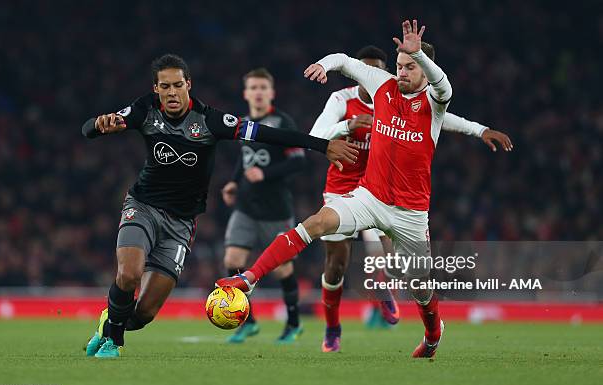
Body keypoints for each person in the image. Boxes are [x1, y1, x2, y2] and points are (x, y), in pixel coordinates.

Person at [216, 20, 512, 358]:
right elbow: (343, 60)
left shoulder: (434, 102)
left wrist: (478, 127)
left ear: (425, 70)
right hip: (368, 196)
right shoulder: (382, 84)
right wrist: (323, 65)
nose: (401, 72)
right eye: (399, 65)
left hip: (410, 213)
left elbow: (444, 87)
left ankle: (432, 334)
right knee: (315, 224)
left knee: (419, 285)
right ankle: (247, 280)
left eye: (410, 67)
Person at [81, 54, 358, 358]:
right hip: (143, 206)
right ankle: (113, 343)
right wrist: (98, 124)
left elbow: (269, 134)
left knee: (144, 313)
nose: (172, 92)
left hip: (181, 223)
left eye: (177, 85)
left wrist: (321, 145)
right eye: (165, 87)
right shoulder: (144, 109)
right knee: (129, 274)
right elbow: (90, 129)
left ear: (188, 84)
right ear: (156, 89)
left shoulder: (210, 120)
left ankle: (107, 325)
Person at [309, 45, 512, 351]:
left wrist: (478, 130)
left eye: (379, 70)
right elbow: (316, 135)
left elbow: (441, 116)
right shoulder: (342, 99)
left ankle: (383, 287)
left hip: (378, 187)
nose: (370, 78)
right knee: (336, 264)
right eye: (366, 71)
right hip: (341, 183)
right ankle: (333, 327)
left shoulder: (392, 93)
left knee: (388, 255)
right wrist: (347, 126)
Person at [222, 68, 305, 344]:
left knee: (282, 270)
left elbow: (298, 160)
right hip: (246, 205)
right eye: (253, 87)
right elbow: (244, 159)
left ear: (271, 92)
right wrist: (234, 182)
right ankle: (247, 321)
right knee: (232, 261)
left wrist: (265, 174)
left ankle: (293, 323)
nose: (258, 92)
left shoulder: (282, 123)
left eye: (263, 87)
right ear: (245, 93)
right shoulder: (243, 122)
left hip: (275, 209)